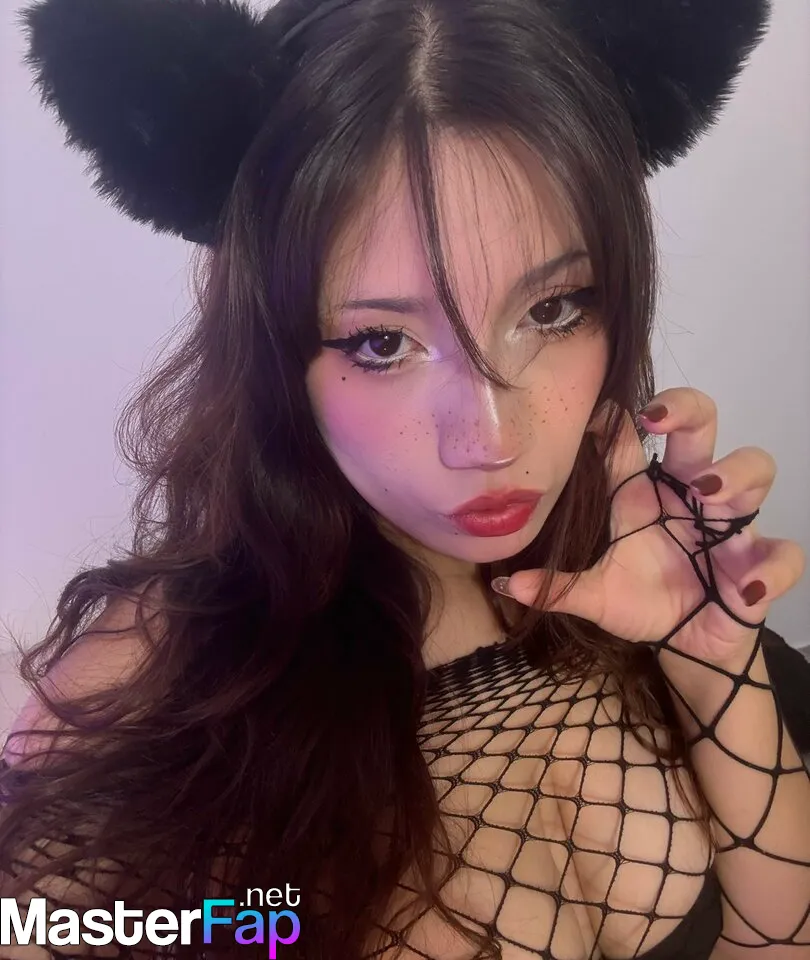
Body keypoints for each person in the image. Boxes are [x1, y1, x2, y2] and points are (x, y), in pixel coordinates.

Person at [0, 0, 808, 957]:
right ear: (277, 352)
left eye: (553, 309)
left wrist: (714, 664)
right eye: (382, 342)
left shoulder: (649, 574)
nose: (490, 439)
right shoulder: (146, 692)